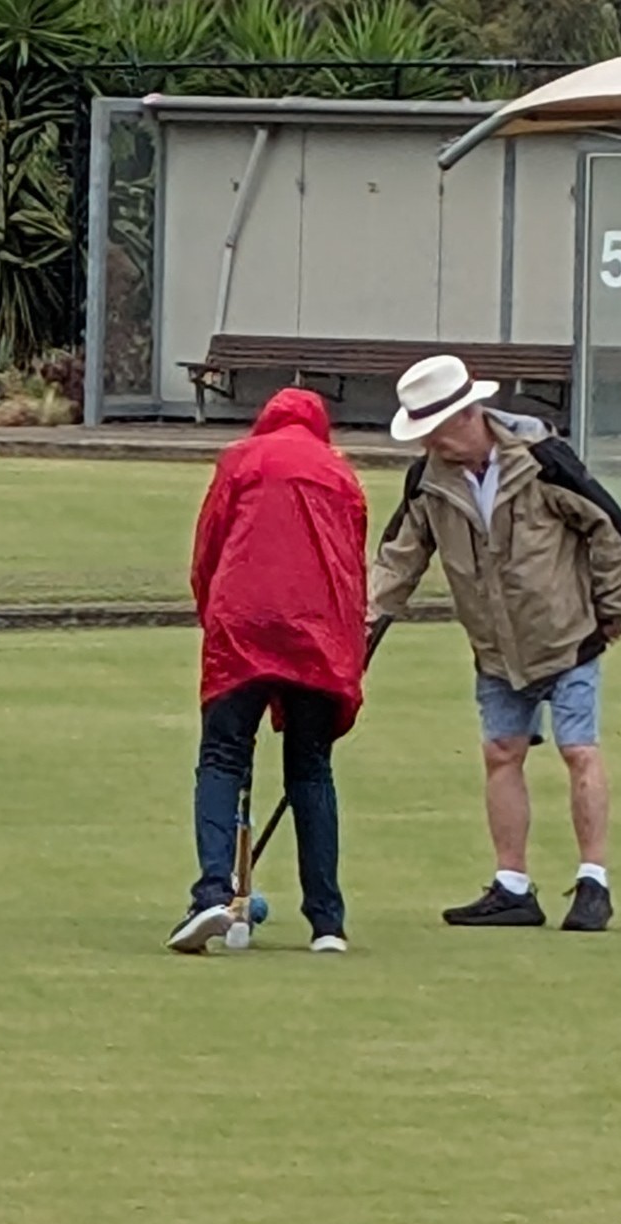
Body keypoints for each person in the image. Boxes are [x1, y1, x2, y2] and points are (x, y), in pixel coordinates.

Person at [371, 354, 621, 932]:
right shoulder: (428, 481)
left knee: (579, 751)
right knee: (501, 754)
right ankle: (512, 886)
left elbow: (608, 526)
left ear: (467, 415)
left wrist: (613, 606)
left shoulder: (543, 461)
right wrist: (363, 629)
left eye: (434, 432)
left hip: (568, 637)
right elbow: (399, 560)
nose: (429, 445)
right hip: (494, 647)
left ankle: (594, 883)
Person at [171, 387, 372, 954]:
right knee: (311, 769)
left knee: (222, 758)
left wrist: (210, 612)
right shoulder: (342, 474)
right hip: (317, 634)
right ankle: (327, 921)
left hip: (244, 626)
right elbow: (352, 568)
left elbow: (209, 548)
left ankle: (211, 892)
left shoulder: (241, 460)